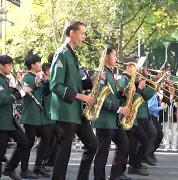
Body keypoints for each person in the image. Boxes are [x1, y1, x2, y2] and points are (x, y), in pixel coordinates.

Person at [50, 20, 104, 180]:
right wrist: (81, 96)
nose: (84, 37)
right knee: (64, 152)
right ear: (72, 33)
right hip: (66, 111)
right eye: (82, 33)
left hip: (77, 111)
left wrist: (93, 80)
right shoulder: (61, 55)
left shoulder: (72, 55)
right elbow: (56, 86)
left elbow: (76, 83)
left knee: (92, 144)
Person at [0, 55, 32, 180]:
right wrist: (21, 92)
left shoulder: (4, 80)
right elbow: (4, 100)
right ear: (1, 66)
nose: (10, 68)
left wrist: (17, 89)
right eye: (8, 65)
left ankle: (9, 169)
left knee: (24, 142)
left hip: (9, 120)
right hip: (1, 120)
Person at [91, 46, 131, 180]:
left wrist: (123, 93)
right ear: (106, 56)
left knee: (124, 144)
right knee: (102, 151)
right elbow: (100, 98)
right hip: (104, 120)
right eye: (114, 55)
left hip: (113, 120)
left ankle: (116, 174)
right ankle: (99, 177)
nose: (115, 58)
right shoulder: (101, 73)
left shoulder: (110, 73)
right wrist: (119, 109)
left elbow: (113, 95)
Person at [20, 54, 54, 178]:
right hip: (31, 115)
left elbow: (47, 92)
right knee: (28, 143)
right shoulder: (27, 78)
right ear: (33, 65)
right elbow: (26, 93)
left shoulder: (42, 77)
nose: (41, 65)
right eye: (38, 63)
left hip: (42, 116)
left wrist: (46, 82)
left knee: (46, 140)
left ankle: (38, 166)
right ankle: (24, 170)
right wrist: (36, 84)